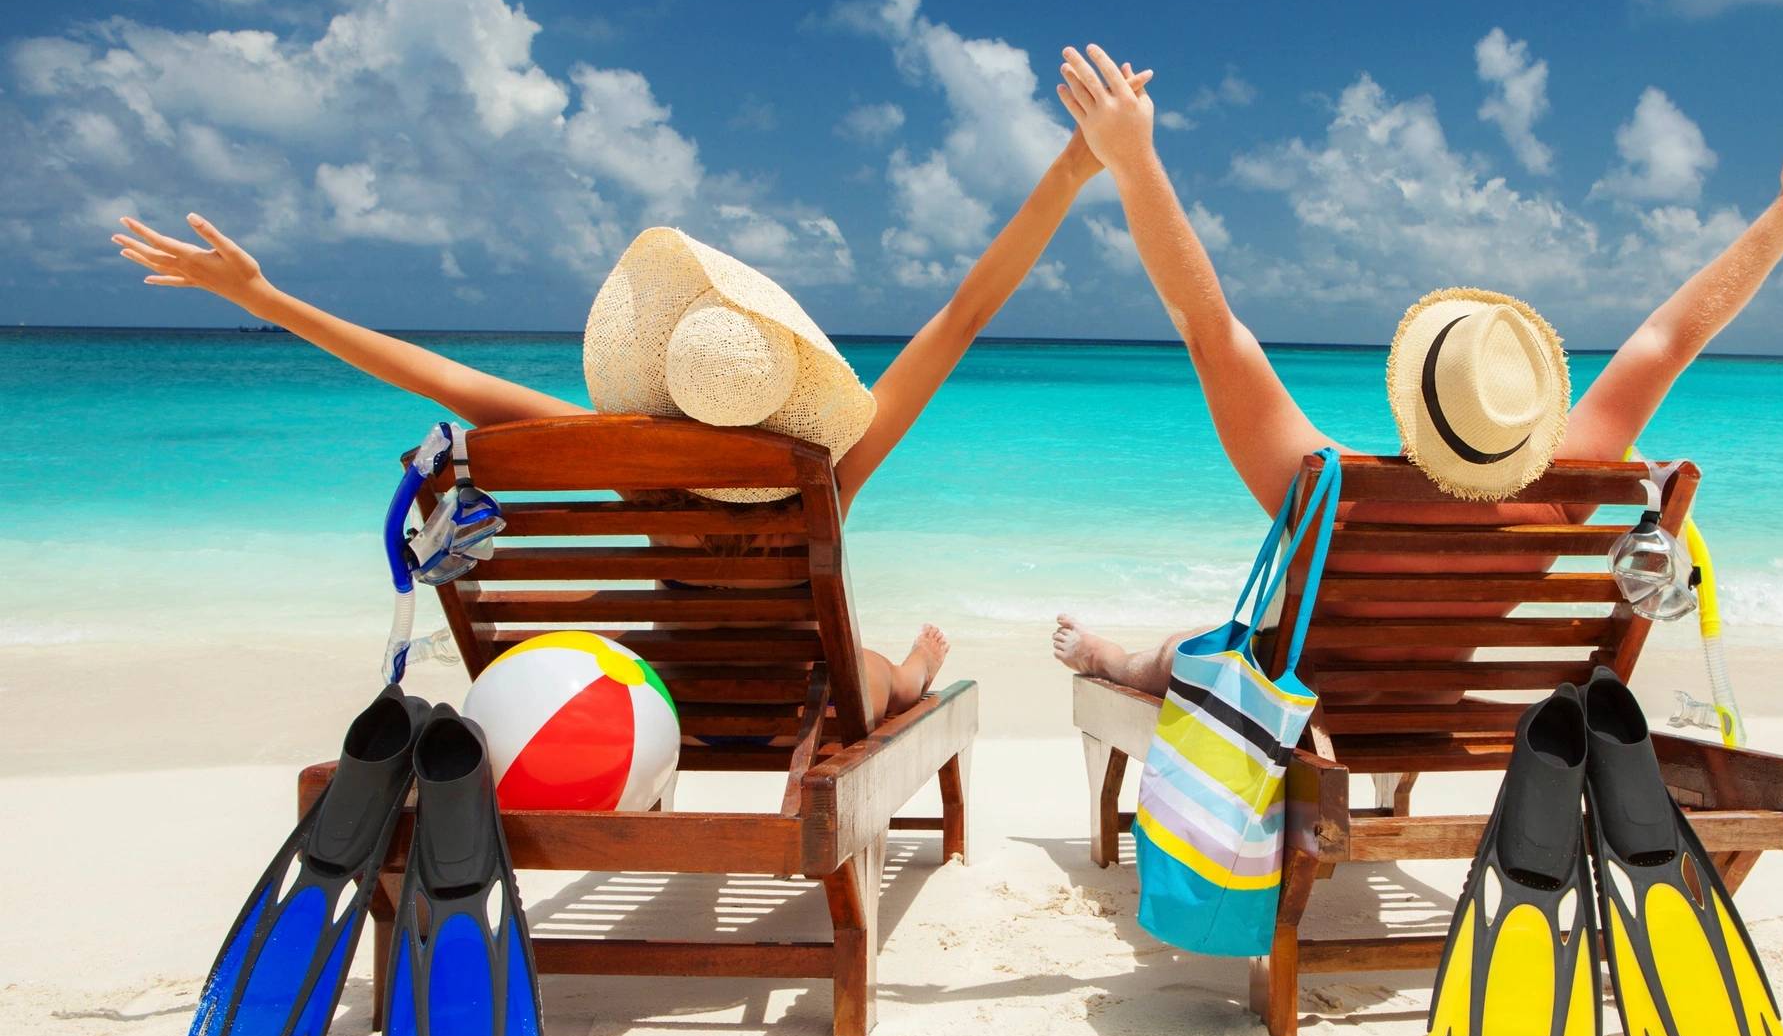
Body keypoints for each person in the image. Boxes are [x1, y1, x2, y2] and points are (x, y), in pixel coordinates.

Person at [112, 63, 1153, 720]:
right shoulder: (826, 467)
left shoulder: (621, 450)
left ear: (669, 375)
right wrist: (1070, 170)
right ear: (789, 390)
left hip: (674, 694)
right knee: (874, 671)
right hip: (801, 698)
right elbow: (962, 318)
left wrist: (269, 299)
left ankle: (893, 670)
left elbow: (439, 377)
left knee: (850, 661)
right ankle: (911, 676)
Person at [1042, 42, 1783, 692]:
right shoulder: (1562, 493)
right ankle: (1139, 659)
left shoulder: (1323, 493)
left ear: (1415, 398)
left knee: (1185, 654)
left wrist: (1133, 158)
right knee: (1234, 641)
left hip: (1308, 699)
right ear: (1528, 418)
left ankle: (1116, 660)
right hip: (1431, 695)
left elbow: (1208, 330)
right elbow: (1666, 343)